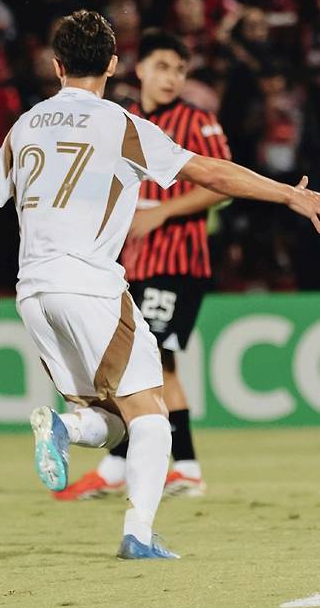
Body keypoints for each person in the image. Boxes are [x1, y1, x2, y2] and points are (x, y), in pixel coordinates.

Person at [0, 9, 320, 560]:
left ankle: (64, 428)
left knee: (113, 419)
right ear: (114, 65)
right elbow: (211, 172)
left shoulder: (24, 125)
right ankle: (138, 534)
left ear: (57, 66)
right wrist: (288, 194)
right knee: (151, 417)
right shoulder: (122, 125)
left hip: (34, 293)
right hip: (91, 285)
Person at [57, 29, 231, 501]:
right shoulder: (123, 119)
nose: (171, 77)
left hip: (179, 263)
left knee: (149, 363)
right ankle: (178, 468)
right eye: (162, 67)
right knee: (149, 365)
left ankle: (134, 468)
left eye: (180, 69)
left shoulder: (197, 120)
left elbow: (220, 183)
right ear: (140, 70)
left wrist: (162, 212)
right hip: (132, 265)